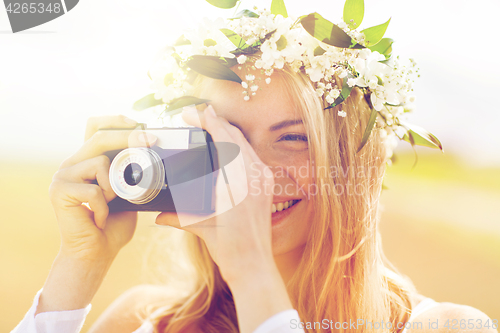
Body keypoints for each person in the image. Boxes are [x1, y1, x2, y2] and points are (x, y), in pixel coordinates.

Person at [11, 2, 498, 333]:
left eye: (292, 138)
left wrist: (251, 270)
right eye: (227, 138)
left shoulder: (449, 327)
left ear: (358, 162)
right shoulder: (143, 318)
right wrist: (78, 267)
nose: (253, 173)